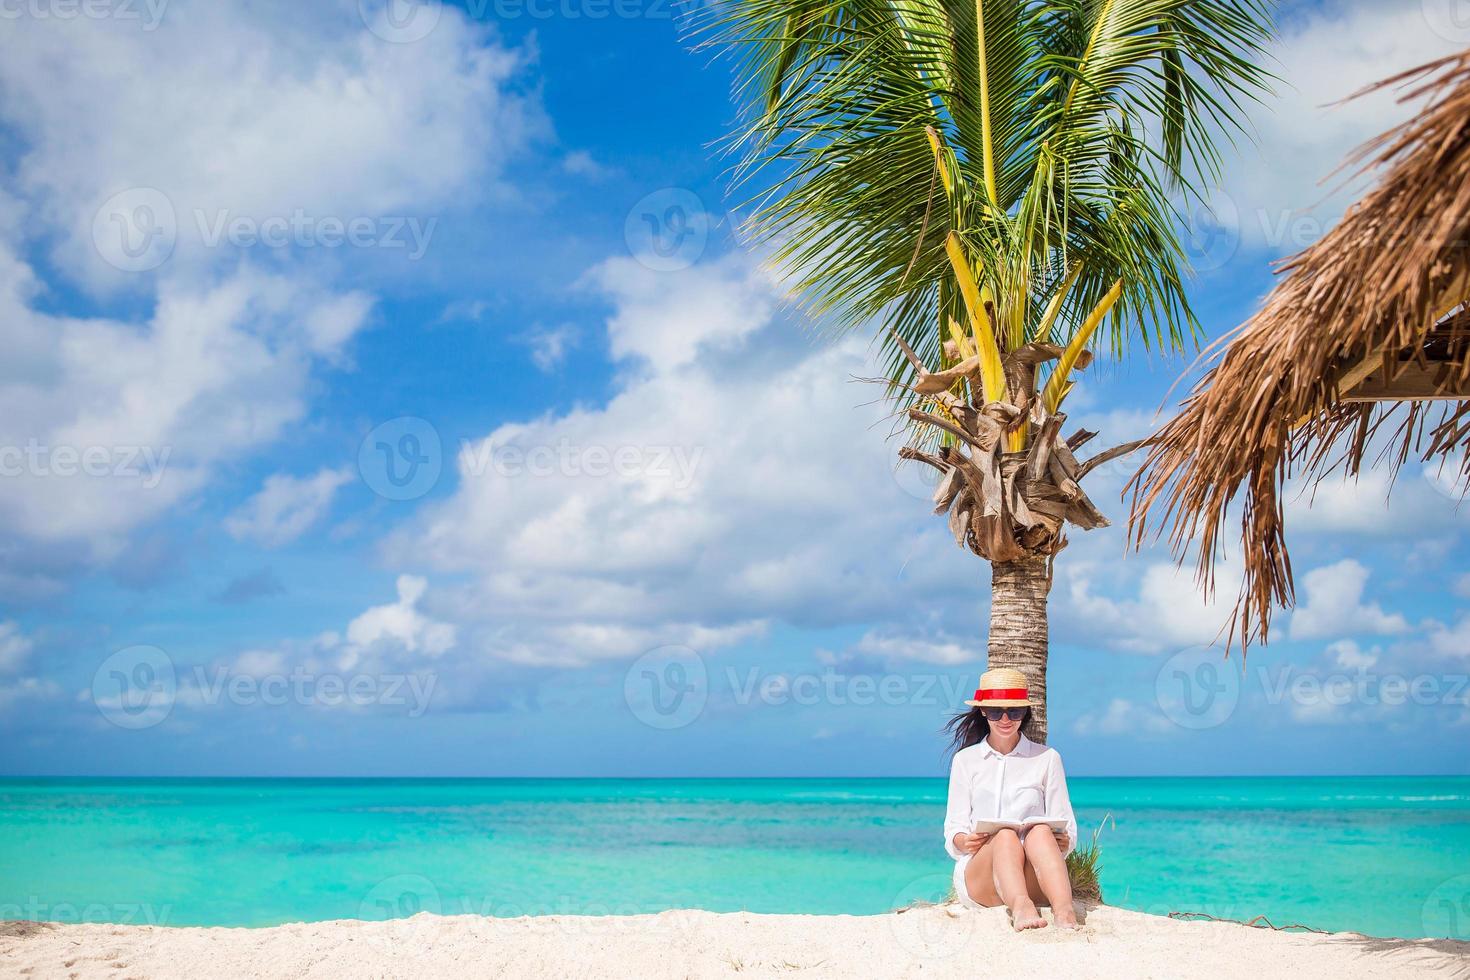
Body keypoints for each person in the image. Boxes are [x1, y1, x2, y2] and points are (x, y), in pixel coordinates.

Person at [941, 667, 1080, 931]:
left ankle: (1065, 911)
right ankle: (1021, 908)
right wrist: (965, 840)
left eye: (1014, 711)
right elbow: (954, 829)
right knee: (1004, 835)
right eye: (996, 712)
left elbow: (1068, 826)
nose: (1005, 719)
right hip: (982, 876)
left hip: (1033, 874)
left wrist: (1063, 839)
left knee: (1039, 830)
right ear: (983, 711)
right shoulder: (966, 761)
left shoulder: (1047, 758)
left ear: (1025, 712)